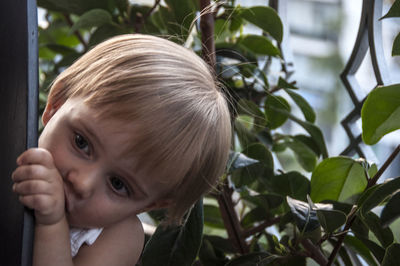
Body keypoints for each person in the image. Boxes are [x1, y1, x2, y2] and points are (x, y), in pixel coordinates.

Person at [11, 34, 231, 265]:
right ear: (57, 104)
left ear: (150, 204)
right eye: (81, 143)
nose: (82, 182)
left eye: (118, 184)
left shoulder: (119, 237)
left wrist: (51, 225)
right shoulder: (14, 144)